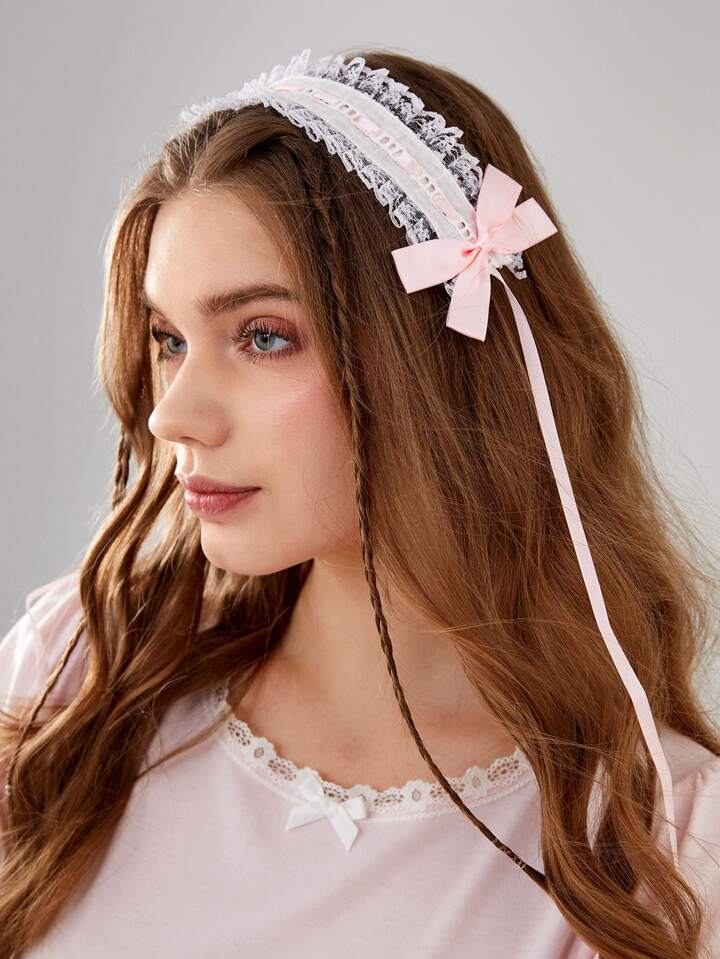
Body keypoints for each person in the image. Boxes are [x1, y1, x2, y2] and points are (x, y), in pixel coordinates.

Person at [1, 45, 719, 959]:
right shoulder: (76, 683)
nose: (172, 412)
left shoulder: (659, 852)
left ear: (440, 356)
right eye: (169, 338)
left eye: (263, 336)